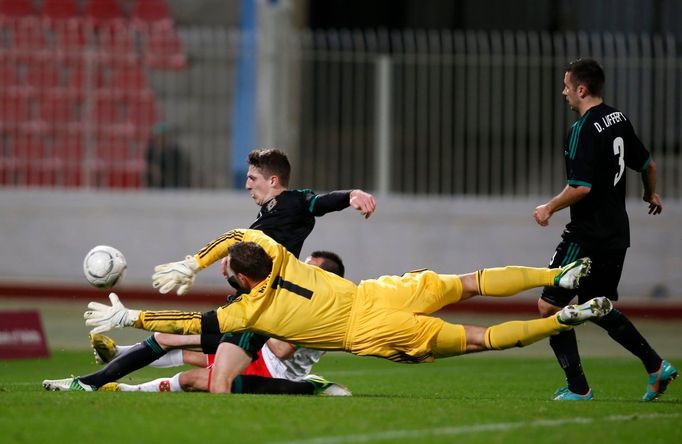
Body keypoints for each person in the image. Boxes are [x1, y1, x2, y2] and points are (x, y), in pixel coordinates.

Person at [77, 228, 612, 395]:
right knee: (469, 282)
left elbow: (190, 325)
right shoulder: (280, 255)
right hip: (379, 292)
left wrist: (132, 317)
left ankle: (563, 318)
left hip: (370, 328)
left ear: (243, 280)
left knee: (479, 338)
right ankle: (555, 276)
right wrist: (195, 261)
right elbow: (239, 234)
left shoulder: (249, 313)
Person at [43, 148, 376, 392]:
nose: (247, 184)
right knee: (197, 365)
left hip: (262, 309)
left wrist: (351, 196)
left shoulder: (293, 202)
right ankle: (88, 383)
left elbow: (319, 203)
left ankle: (308, 388)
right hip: (247, 303)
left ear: (273, 180)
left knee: (210, 374)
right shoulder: (264, 216)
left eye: (252, 178)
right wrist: (234, 268)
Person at [532, 58, 677, 401]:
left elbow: (581, 187)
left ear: (581, 89)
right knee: (598, 305)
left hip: (585, 234)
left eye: (567, 86)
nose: (564, 92)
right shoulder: (619, 119)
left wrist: (548, 208)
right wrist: (649, 193)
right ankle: (656, 366)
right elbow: (648, 164)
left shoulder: (580, 130)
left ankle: (578, 388)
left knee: (548, 309)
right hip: (616, 233)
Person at [95, 251, 351, 396]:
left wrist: (260, 314)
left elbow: (282, 350)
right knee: (172, 339)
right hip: (257, 353)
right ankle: (118, 355)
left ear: (325, 276)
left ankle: (128, 389)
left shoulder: (317, 309)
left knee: (188, 379)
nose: (301, 271)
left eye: (309, 268)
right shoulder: (303, 297)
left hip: (273, 371)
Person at [145, 122, 191, 188]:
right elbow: (149, 165)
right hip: (156, 186)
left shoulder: (175, 151)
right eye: (159, 137)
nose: (161, 139)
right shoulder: (151, 150)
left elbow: (182, 170)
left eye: (164, 136)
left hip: (173, 185)